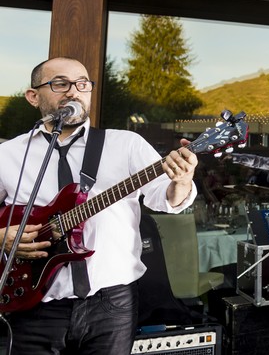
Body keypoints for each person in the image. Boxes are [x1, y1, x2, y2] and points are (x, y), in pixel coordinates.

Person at [0, 57, 198, 354]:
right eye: (60, 84)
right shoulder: (9, 154)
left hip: (111, 305)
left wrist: (182, 180)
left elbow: (166, 199)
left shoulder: (126, 144)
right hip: (31, 303)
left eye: (82, 84)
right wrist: (1, 237)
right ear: (33, 96)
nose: (73, 91)